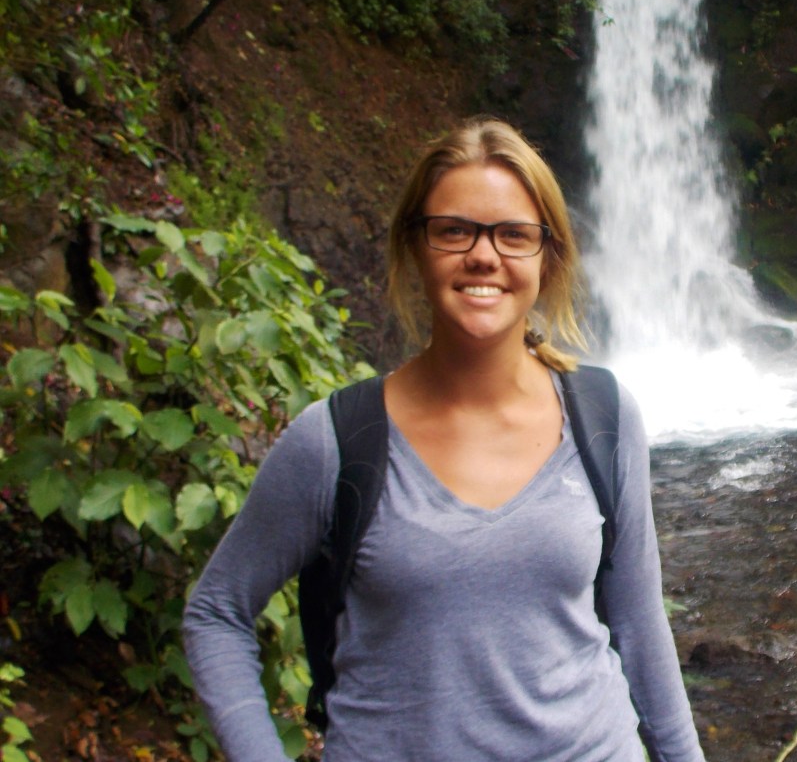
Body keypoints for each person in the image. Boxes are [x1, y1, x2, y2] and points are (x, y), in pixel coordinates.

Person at [182, 116, 706, 762]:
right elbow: (217, 611)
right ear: (415, 247)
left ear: (548, 256)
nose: (484, 255)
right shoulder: (338, 440)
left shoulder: (605, 416)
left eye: (514, 234)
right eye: (454, 230)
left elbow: (639, 622)